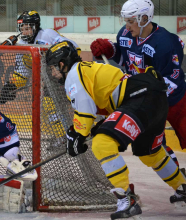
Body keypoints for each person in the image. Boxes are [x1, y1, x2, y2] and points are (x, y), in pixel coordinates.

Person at [46, 40, 186, 219]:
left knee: (102, 143)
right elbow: (111, 97)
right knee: (149, 152)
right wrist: (98, 126)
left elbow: (85, 111)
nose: (53, 73)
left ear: (62, 64)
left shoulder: (74, 75)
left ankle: (127, 199)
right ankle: (182, 187)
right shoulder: (87, 69)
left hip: (140, 97)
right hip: (153, 97)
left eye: (53, 68)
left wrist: (77, 134)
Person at [90, 0, 186, 158]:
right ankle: (177, 177)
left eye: (131, 21)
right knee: (152, 144)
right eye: (125, 21)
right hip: (145, 95)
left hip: (174, 99)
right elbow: (125, 59)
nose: (127, 26)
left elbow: (171, 80)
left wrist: (146, 97)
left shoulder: (165, 43)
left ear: (144, 19)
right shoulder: (125, 34)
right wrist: (110, 50)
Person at [0, 10, 81, 147]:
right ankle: (63, 137)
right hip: (53, 81)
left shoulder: (47, 35)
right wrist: (11, 86)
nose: (24, 32)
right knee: (48, 105)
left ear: (35, 27)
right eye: (22, 29)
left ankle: (92, 128)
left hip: (70, 74)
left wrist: (64, 70)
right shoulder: (23, 47)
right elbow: (21, 74)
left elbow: (73, 48)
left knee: (80, 102)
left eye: (28, 28)